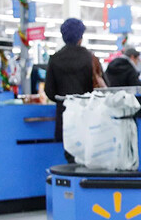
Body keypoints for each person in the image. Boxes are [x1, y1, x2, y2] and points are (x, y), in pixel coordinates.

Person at [43, 17, 105, 163]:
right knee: (89, 158)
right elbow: (103, 89)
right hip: (89, 116)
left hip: (66, 116)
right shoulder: (90, 58)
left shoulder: (55, 59)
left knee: (70, 158)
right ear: (81, 37)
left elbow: (49, 91)